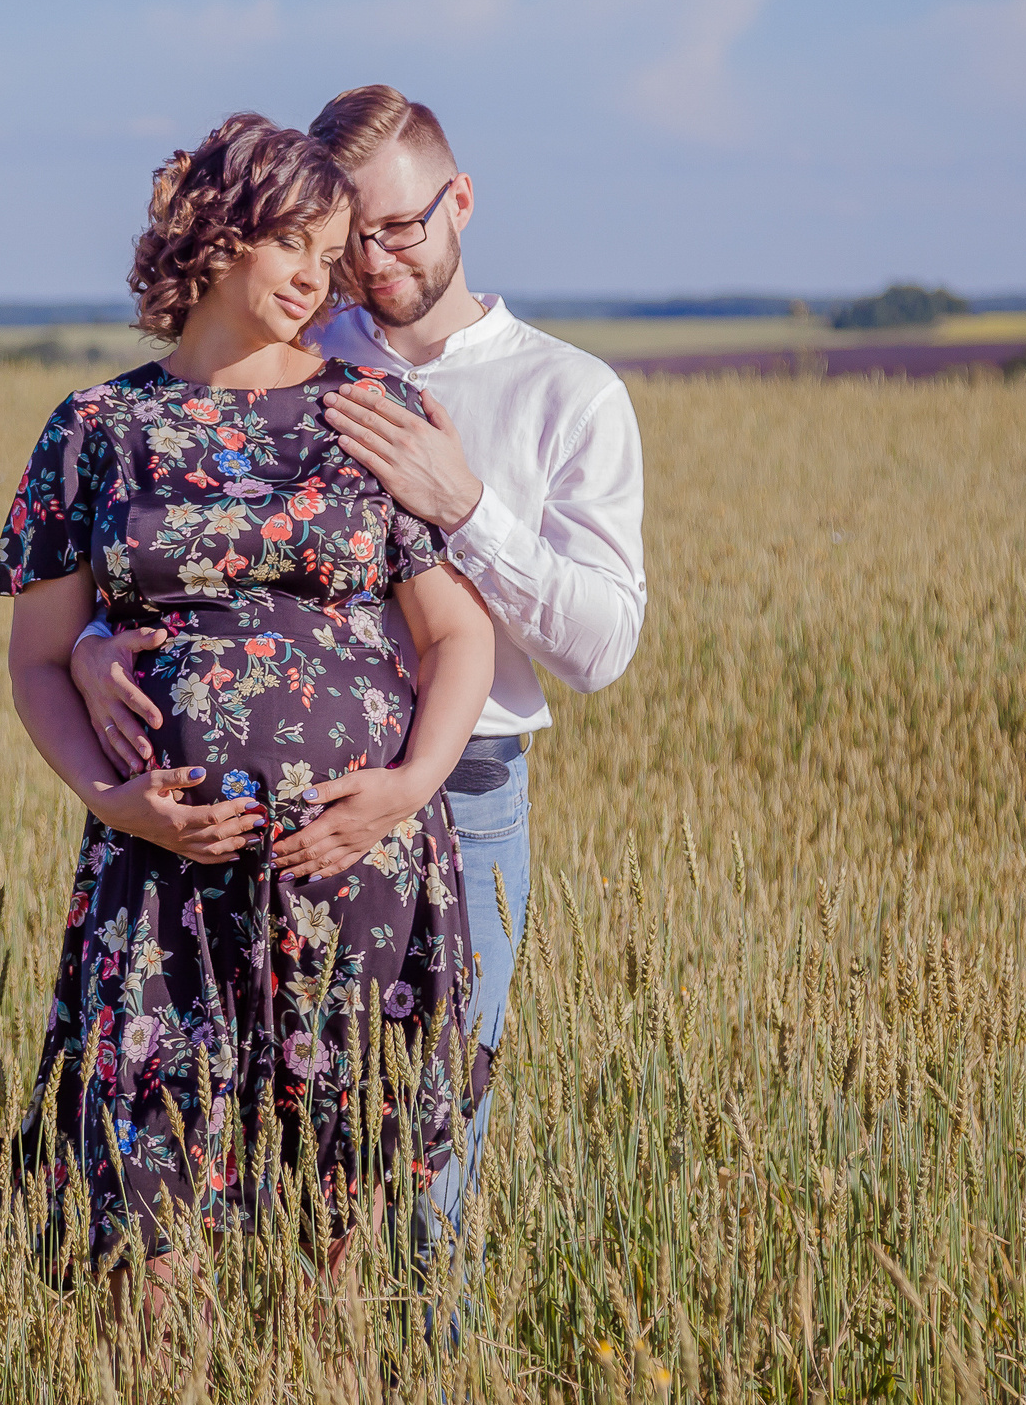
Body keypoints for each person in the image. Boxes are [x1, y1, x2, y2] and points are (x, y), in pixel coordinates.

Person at [72, 85, 648, 1233]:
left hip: (453, 796)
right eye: (345, 243)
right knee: (218, 1148)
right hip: (227, 820)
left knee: (411, 1156)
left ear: (462, 201)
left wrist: (465, 507)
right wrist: (94, 646)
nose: (372, 264)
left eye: (400, 230)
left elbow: (599, 649)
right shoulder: (290, 352)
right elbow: (176, 559)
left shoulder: (566, 391)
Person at [0, 112, 496, 1298]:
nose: (322, 275)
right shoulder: (96, 431)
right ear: (217, 240)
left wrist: (407, 790)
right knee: (144, 1234)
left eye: (333, 249)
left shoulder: (368, 412)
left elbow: (456, 632)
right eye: (293, 244)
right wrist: (119, 804)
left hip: (351, 862)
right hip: (163, 874)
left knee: (344, 1235)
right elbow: (37, 657)